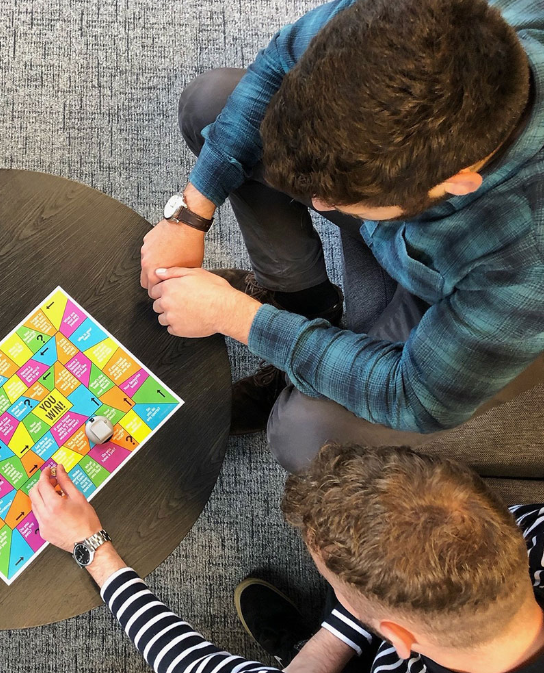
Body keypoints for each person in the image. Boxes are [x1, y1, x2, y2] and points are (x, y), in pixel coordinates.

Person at [140, 0, 544, 471]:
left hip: (460, 309)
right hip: (422, 236)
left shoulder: (524, 270)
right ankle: (306, 304)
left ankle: (296, 335)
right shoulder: (409, 17)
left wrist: (239, 318)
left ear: (455, 181)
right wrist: (192, 211)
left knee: (303, 432)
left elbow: (414, 395)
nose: (315, 205)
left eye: (335, 198)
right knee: (213, 102)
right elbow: (279, 63)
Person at [32, 446, 544, 673]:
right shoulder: (523, 532)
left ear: (398, 637)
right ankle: (317, 655)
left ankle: (308, 668)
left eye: (332, 583)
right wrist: (329, 645)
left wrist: (91, 547)